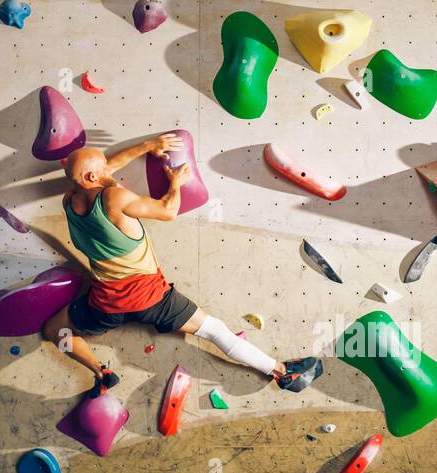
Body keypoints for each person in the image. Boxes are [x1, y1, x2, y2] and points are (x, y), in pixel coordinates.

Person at [42, 133, 320, 397]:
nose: (110, 169)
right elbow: (167, 211)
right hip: (152, 298)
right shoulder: (114, 198)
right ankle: (282, 373)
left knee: (56, 331)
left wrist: (147, 145)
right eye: (104, 168)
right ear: (93, 176)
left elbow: (101, 170)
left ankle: (101, 372)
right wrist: (175, 183)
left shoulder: (70, 200)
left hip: (106, 305)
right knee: (214, 330)